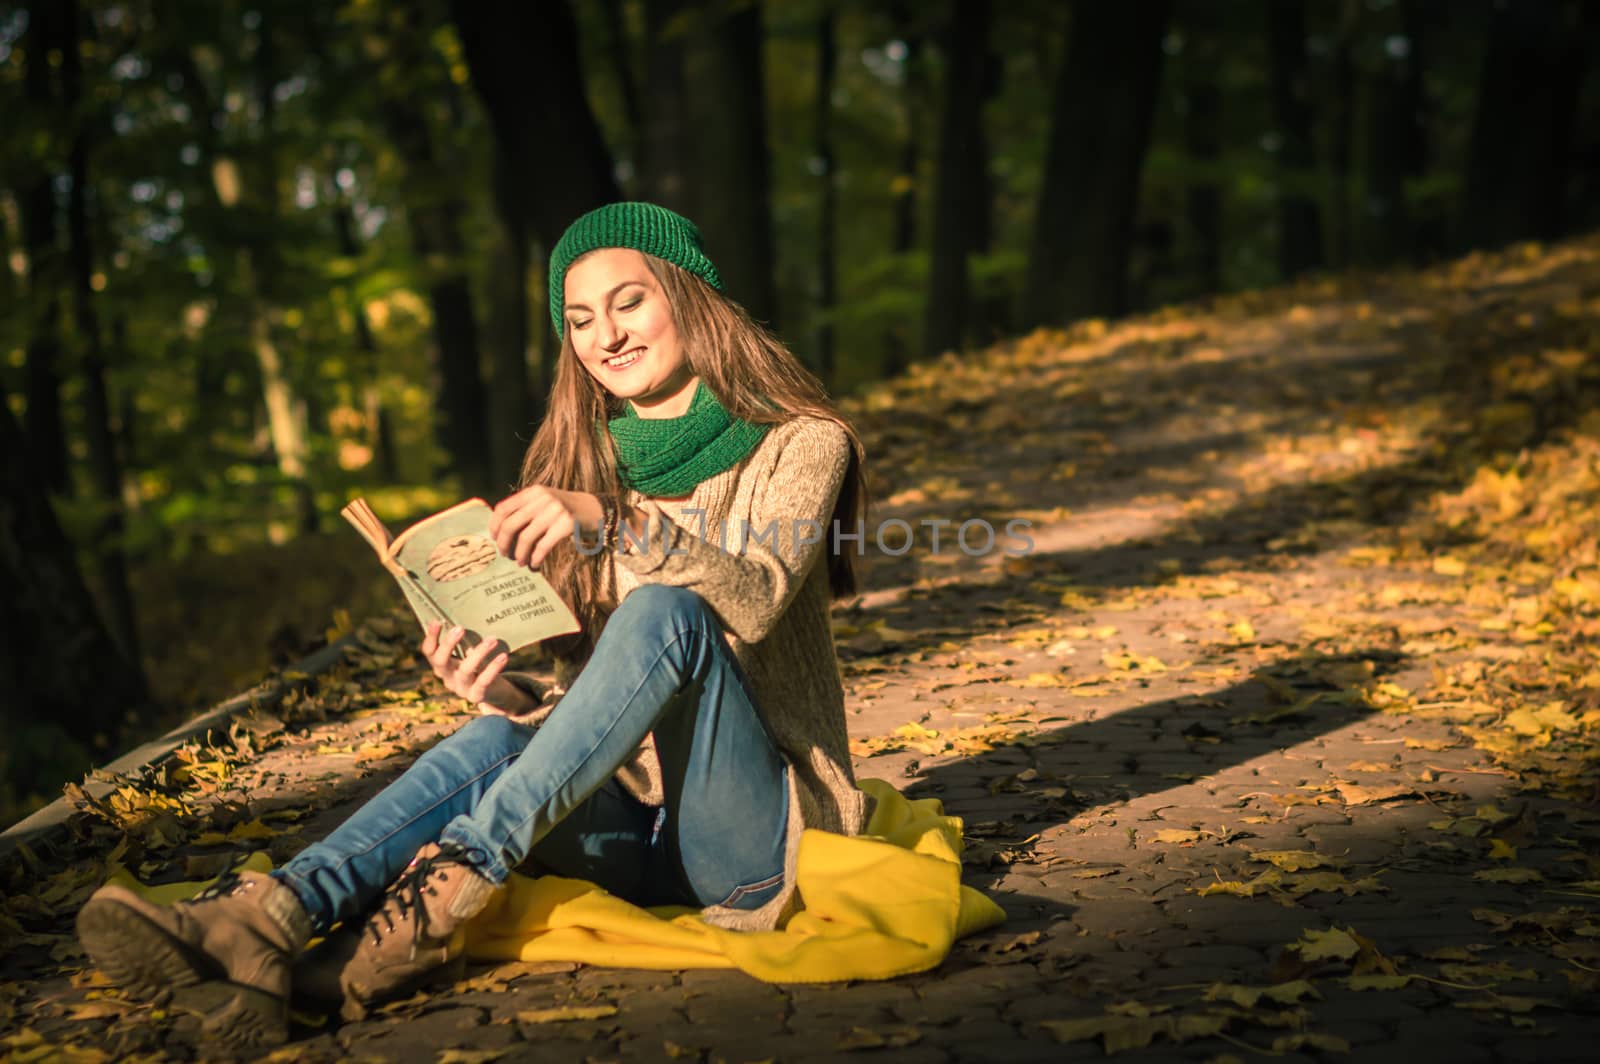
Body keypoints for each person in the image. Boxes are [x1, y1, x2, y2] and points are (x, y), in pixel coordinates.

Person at [75, 202, 871, 1048]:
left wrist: (615, 522)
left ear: (690, 294)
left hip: (754, 840)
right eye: (580, 319)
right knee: (492, 744)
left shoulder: (800, 443)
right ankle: (272, 919)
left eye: (629, 301)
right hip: (634, 837)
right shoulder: (581, 466)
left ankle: (450, 885)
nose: (607, 334)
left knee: (665, 609)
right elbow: (604, 692)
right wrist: (506, 687)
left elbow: (752, 598)